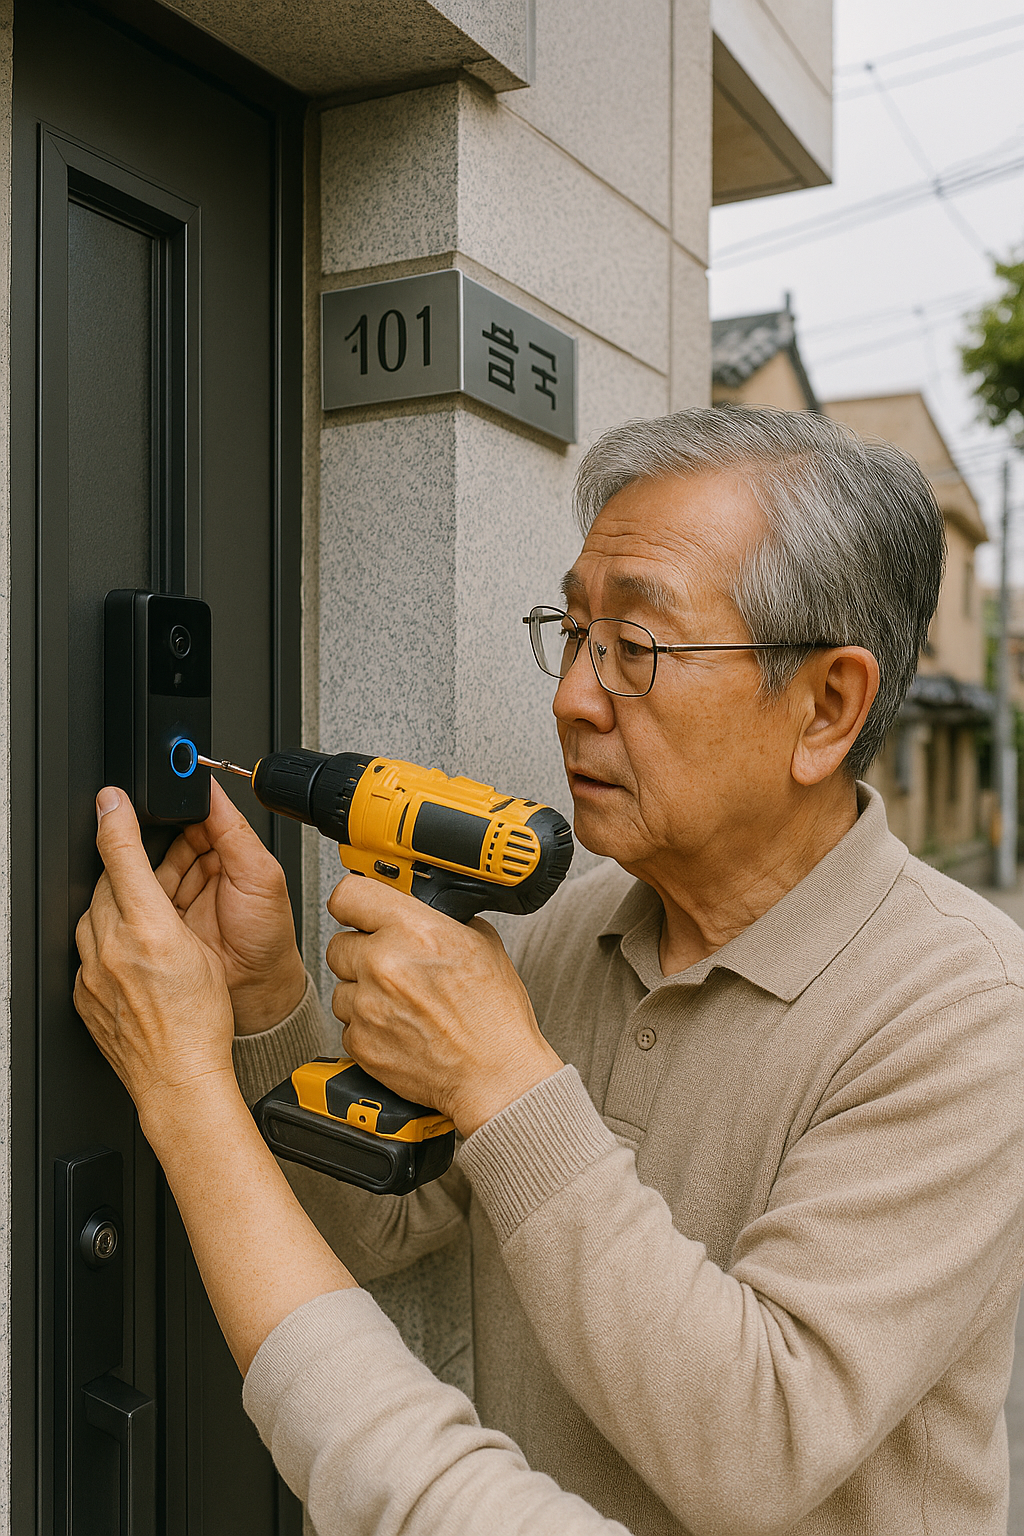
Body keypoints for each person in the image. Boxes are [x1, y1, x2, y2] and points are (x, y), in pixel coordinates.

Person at [76, 405, 1024, 1536]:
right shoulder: (574, 929)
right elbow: (384, 1225)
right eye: (573, 633)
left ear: (826, 708)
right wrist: (267, 998)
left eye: (636, 649)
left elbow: (757, 1449)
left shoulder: (964, 1013)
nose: (574, 694)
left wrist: (503, 1076)